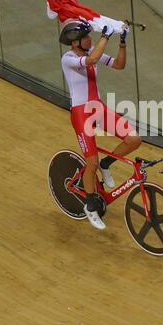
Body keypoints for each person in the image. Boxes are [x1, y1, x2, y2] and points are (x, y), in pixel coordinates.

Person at [60, 18, 142, 230]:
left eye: (91, 36)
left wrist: (122, 43)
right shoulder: (68, 58)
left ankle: (107, 164)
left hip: (98, 108)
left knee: (134, 139)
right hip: (81, 114)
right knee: (91, 163)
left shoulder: (91, 54)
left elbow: (119, 65)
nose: (90, 39)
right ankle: (90, 205)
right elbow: (91, 61)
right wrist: (106, 35)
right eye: (87, 37)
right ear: (76, 42)